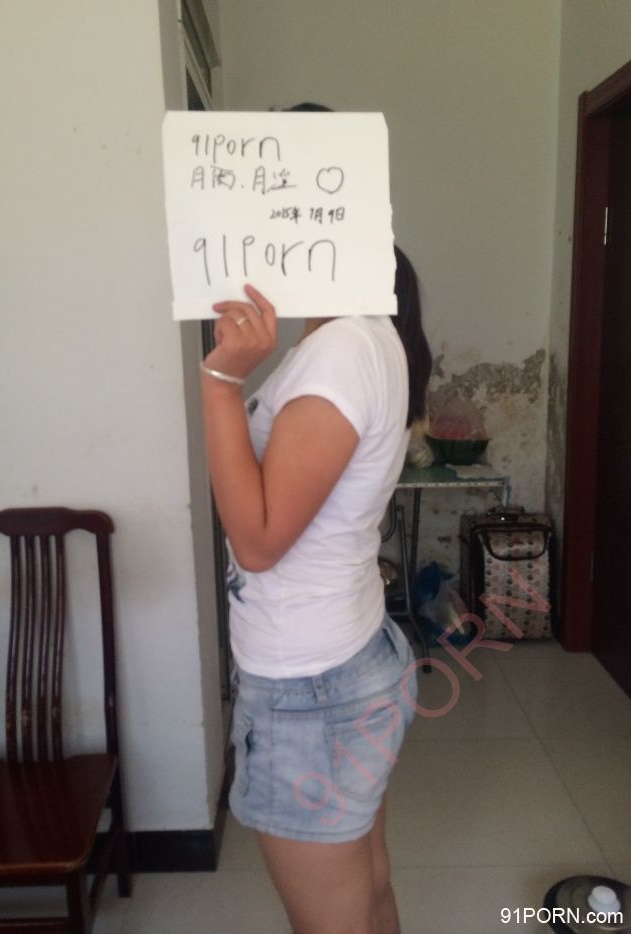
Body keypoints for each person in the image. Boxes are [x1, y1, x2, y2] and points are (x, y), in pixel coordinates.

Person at [199, 161, 431, 934]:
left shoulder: (341, 350)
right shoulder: (364, 337)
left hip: (310, 687)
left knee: (336, 918)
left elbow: (259, 541)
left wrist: (220, 380)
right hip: (342, 661)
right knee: (366, 889)